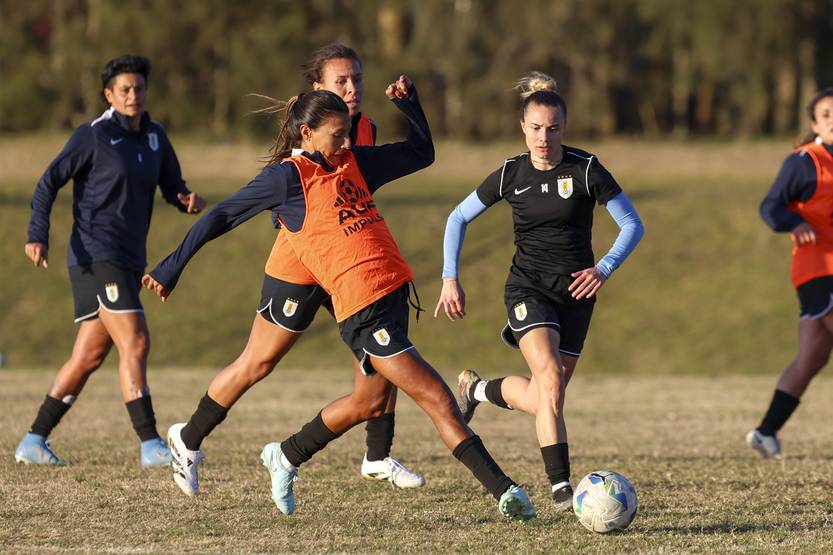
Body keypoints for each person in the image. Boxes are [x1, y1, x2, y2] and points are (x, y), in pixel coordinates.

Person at [143, 79, 537, 521]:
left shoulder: (352, 161)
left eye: (348, 131)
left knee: (368, 402)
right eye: (337, 134)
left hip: (389, 296)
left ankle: (287, 454)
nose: (347, 142)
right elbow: (221, 215)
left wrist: (411, 106)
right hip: (358, 307)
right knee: (435, 397)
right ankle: (506, 492)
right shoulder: (288, 178)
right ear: (306, 133)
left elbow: (420, 154)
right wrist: (172, 265)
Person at [434, 71, 644, 511]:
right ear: (522, 128)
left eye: (553, 128)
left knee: (545, 396)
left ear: (564, 128)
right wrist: (449, 277)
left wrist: (603, 268)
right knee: (548, 380)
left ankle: (476, 391)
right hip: (528, 288)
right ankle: (562, 487)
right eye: (535, 128)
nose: (544, 137)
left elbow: (632, 224)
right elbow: (457, 217)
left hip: (578, 293)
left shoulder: (586, 169)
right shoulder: (511, 173)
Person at [15, 54, 206, 468]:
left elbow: (171, 185)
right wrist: (37, 233)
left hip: (128, 258)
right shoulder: (93, 136)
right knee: (135, 340)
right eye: (124, 89)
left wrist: (185, 200)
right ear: (109, 95)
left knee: (88, 356)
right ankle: (151, 444)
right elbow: (49, 181)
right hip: (95, 254)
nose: (133, 95)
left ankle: (33, 440)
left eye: (139, 88)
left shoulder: (155, 136)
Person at [264, 43, 423, 487]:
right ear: (318, 89)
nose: (352, 88)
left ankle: (377, 456)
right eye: (341, 81)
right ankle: (191, 436)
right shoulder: (306, 140)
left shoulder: (366, 128)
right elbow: (283, 206)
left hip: (349, 264)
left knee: (384, 355)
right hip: (306, 268)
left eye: (357, 78)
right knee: (258, 364)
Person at [747, 88, 833, 459]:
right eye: (827, 114)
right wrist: (794, 222)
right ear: (814, 123)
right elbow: (770, 206)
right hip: (819, 270)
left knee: (812, 355)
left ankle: (766, 433)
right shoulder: (804, 162)